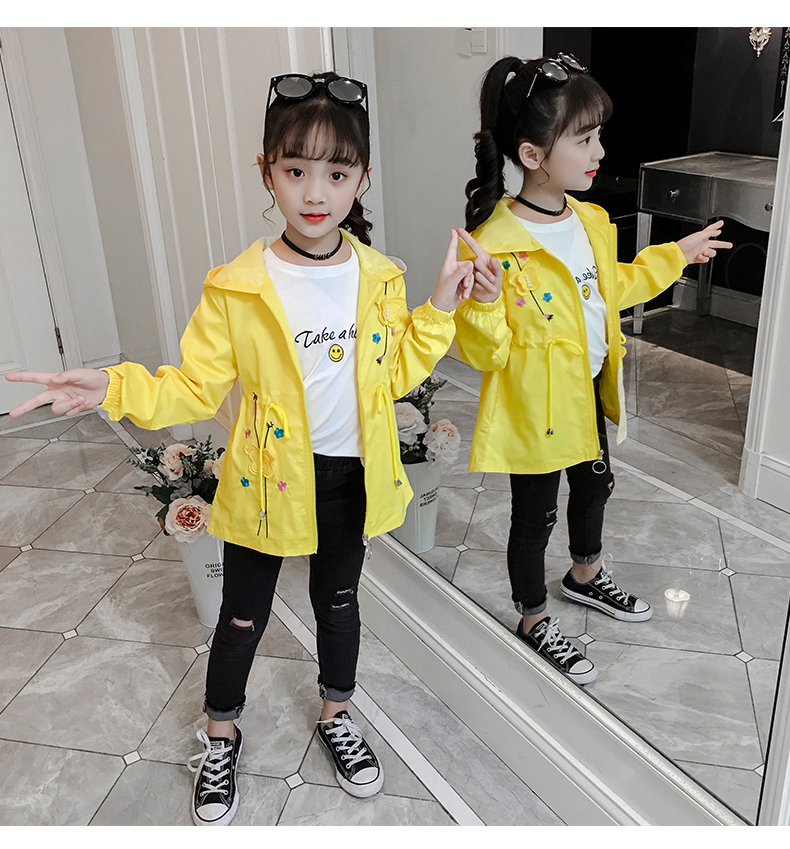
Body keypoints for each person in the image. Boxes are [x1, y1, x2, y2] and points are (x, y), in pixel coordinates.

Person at [6, 71, 474, 826]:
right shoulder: (236, 287)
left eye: (337, 173)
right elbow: (193, 388)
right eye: (295, 170)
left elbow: (392, 374)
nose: (315, 193)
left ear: (362, 177)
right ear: (266, 172)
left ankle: (336, 714)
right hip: (266, 482)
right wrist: (113, 386)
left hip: (352, 479)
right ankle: (221, 731)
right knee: (242, 617)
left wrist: (442, 306)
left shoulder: (379, 278)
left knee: (340, 605)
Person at [453, 54, 732, 686]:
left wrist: (675, 255)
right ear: (532, 154)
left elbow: (614, 288)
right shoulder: (494, 243)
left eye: (597, 135)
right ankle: (533, 617)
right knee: (535, 518)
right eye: (583, 139)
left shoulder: (590, 221)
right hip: (534, 411)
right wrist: (486, 304)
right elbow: (482, 352)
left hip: (587, 397)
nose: (599, 151)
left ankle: (584, 575)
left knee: (595, 488)